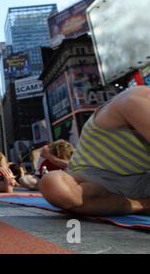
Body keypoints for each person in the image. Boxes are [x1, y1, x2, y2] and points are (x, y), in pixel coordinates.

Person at [40, 86, 150, 216]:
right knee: (54, 186)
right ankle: (142, 204)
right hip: (93, 179)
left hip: (142, 182)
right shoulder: (136, 99)